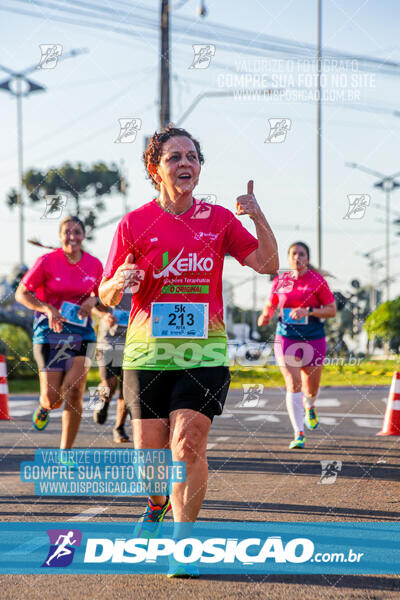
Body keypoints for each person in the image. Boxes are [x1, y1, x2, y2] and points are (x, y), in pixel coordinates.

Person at [99, 125, 279, 578]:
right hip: (146, 354)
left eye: (192, 157)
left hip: (204, 354)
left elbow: (268, 264)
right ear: (155, 169)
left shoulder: (218, 219)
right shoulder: (134, 223)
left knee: (189, 446)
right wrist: (121, 281)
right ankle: (156, 502)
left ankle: (185, 546)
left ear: (199, 167)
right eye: (175, 157)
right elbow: (104, 293)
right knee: (152, 460)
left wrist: (257, 215)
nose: (185, 164)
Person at [15, 216, 104, 451]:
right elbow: (21, 294)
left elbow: (106, 299)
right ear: (60, 235)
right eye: (67, 232)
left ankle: (65, 452)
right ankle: (44, 407)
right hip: (49, 332)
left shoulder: (94, 265)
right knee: (53, 398)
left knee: (75, 392)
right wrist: (47, 308)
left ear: (84, 236)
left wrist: (95, 299)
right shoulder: (46, 261)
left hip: (82, 334)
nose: (72, 236)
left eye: (77, 232)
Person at [258, 241, 336, 449]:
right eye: (293, 254)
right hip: (286, 336)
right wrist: (265, 316)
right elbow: (271, 304)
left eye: (301, 254)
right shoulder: (282, 280)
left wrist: (308, 311)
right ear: (289, 257)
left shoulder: (316, 281)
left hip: (313, 337)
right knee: (293, 384)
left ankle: (309, 405)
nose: (297, 258)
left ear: (307, 259)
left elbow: (331, 309)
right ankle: (298, 433)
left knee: (311, 389)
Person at [92, 293, 131, 443]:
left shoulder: (146, 275)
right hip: (109, 341)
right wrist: (104, 315)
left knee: (128, 389)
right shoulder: (110, 276)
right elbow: (92, 303)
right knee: (110, 384)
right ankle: (102, 402)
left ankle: (119, 428)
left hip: (133, 340)